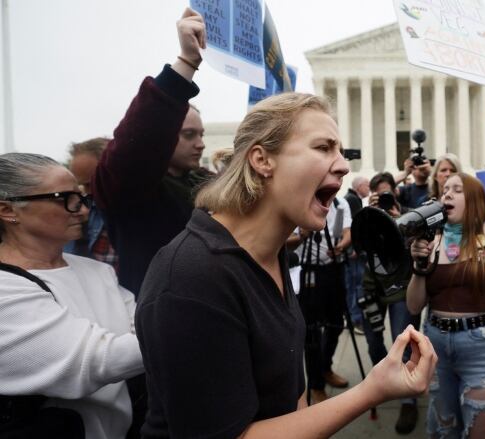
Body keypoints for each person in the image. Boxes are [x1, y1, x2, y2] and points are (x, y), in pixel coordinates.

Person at [135, 65, 437, 439]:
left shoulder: (269, 255)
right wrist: (372, 390)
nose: (344, 165)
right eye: (324, 147)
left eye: (341, 151)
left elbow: (288, 396)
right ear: (262, 160)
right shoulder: (190, 279)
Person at [407, 75, 485, 438]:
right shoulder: (430, 240)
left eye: (457, 189)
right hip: (436, 346)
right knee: (444, 431)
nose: (447, 193)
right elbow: (415, 307)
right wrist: (419, 267)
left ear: (475, 198)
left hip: (482, 349)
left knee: (482, 429)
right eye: (444, 189)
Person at [0, 153, 144, 439]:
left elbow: (142, 326)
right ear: (7, 210)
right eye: (63, 198)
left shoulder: (97, 271)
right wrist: (194, 326)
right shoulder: (5, 287)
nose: (83, 211)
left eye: (82, 197)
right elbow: (91, 362)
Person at [93, 8, 211, 295]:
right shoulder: (133, 193)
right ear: (163, 134)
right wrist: (186, 64)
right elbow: (139, 146)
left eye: (202, 134)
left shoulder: (207, 184)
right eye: (188, 134)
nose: (201, 144)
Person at [361, 171, 423, 434]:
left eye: (389, 193)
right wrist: (370, 216)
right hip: (373, 288)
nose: (386, 199)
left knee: (405, 343)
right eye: (380, 195)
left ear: (395, 192)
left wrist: (398, 222)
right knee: (374, 341)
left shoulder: (408, 215)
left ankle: (408, 399)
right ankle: (383, 381)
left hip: (400, 289)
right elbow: (358, 247)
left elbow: (420, 245)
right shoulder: (367, 218)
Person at [295, 193, 352, 403]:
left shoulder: (340, 203)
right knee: (311, 331)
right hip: (307, 270)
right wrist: (302, 235)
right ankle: (316, 384)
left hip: (333, 269)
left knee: (336, 323)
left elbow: (347, 231)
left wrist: (342, 245)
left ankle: (325, 366)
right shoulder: (299, 201)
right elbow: (284, 242)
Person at [64, 137, 119, 270]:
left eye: (91, 184)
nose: (87, 193)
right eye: (81, 185)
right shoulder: (80, 208)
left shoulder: (137, 212)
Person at [344, 175, 369, 330]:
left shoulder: (352, 198)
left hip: (353, 250)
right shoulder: (353, 200)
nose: (368, 188)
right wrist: (354, 247)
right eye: (366, 185)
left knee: (354, 285)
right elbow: (354, 226)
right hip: (354, 251)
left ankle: (353, 317)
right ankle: (355, 319)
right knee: (356, 285)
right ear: (358, 186)